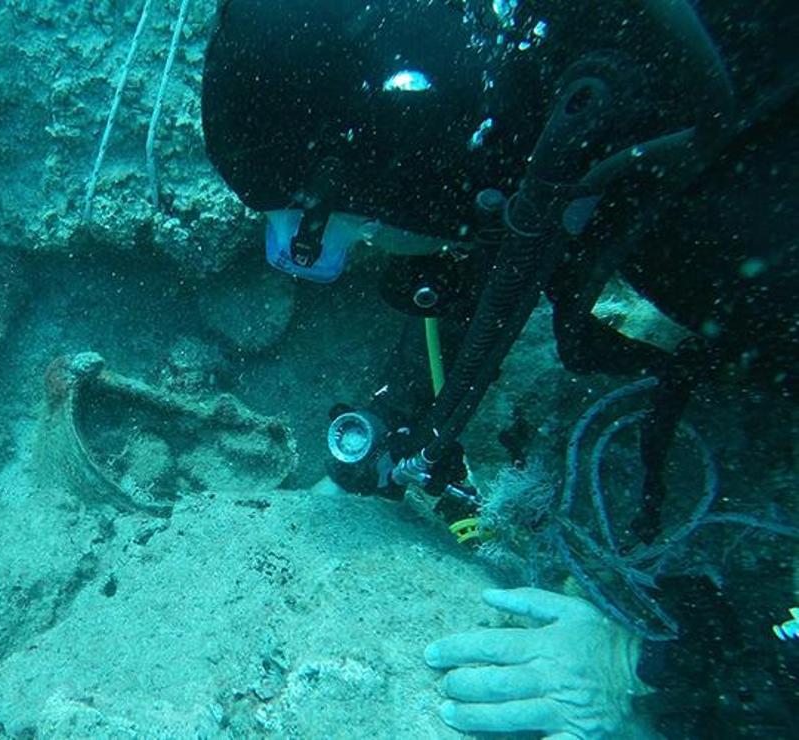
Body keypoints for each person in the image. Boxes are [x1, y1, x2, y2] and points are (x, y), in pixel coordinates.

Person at [200, 1, 798, 737]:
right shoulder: (545, 86)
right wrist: (399, 419)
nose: (352, 251)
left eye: (338, 227)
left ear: (407, 173)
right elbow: (496, 240)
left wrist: (654, 669)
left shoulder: (746, 231)